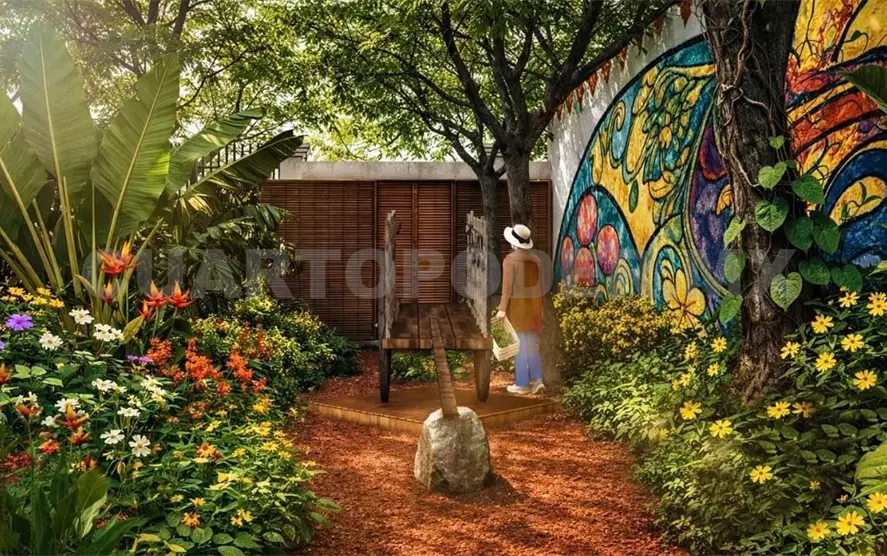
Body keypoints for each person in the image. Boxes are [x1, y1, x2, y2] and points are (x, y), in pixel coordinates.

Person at [495, 224, 544, 395]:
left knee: (520, 346)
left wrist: (502, 309)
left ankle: (522, 383)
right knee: (532, 345)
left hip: (518, 309)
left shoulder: (510, 260)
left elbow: (507, 288)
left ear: (513, 242)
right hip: (535, 307)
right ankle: (537, 380)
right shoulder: (537, 260)